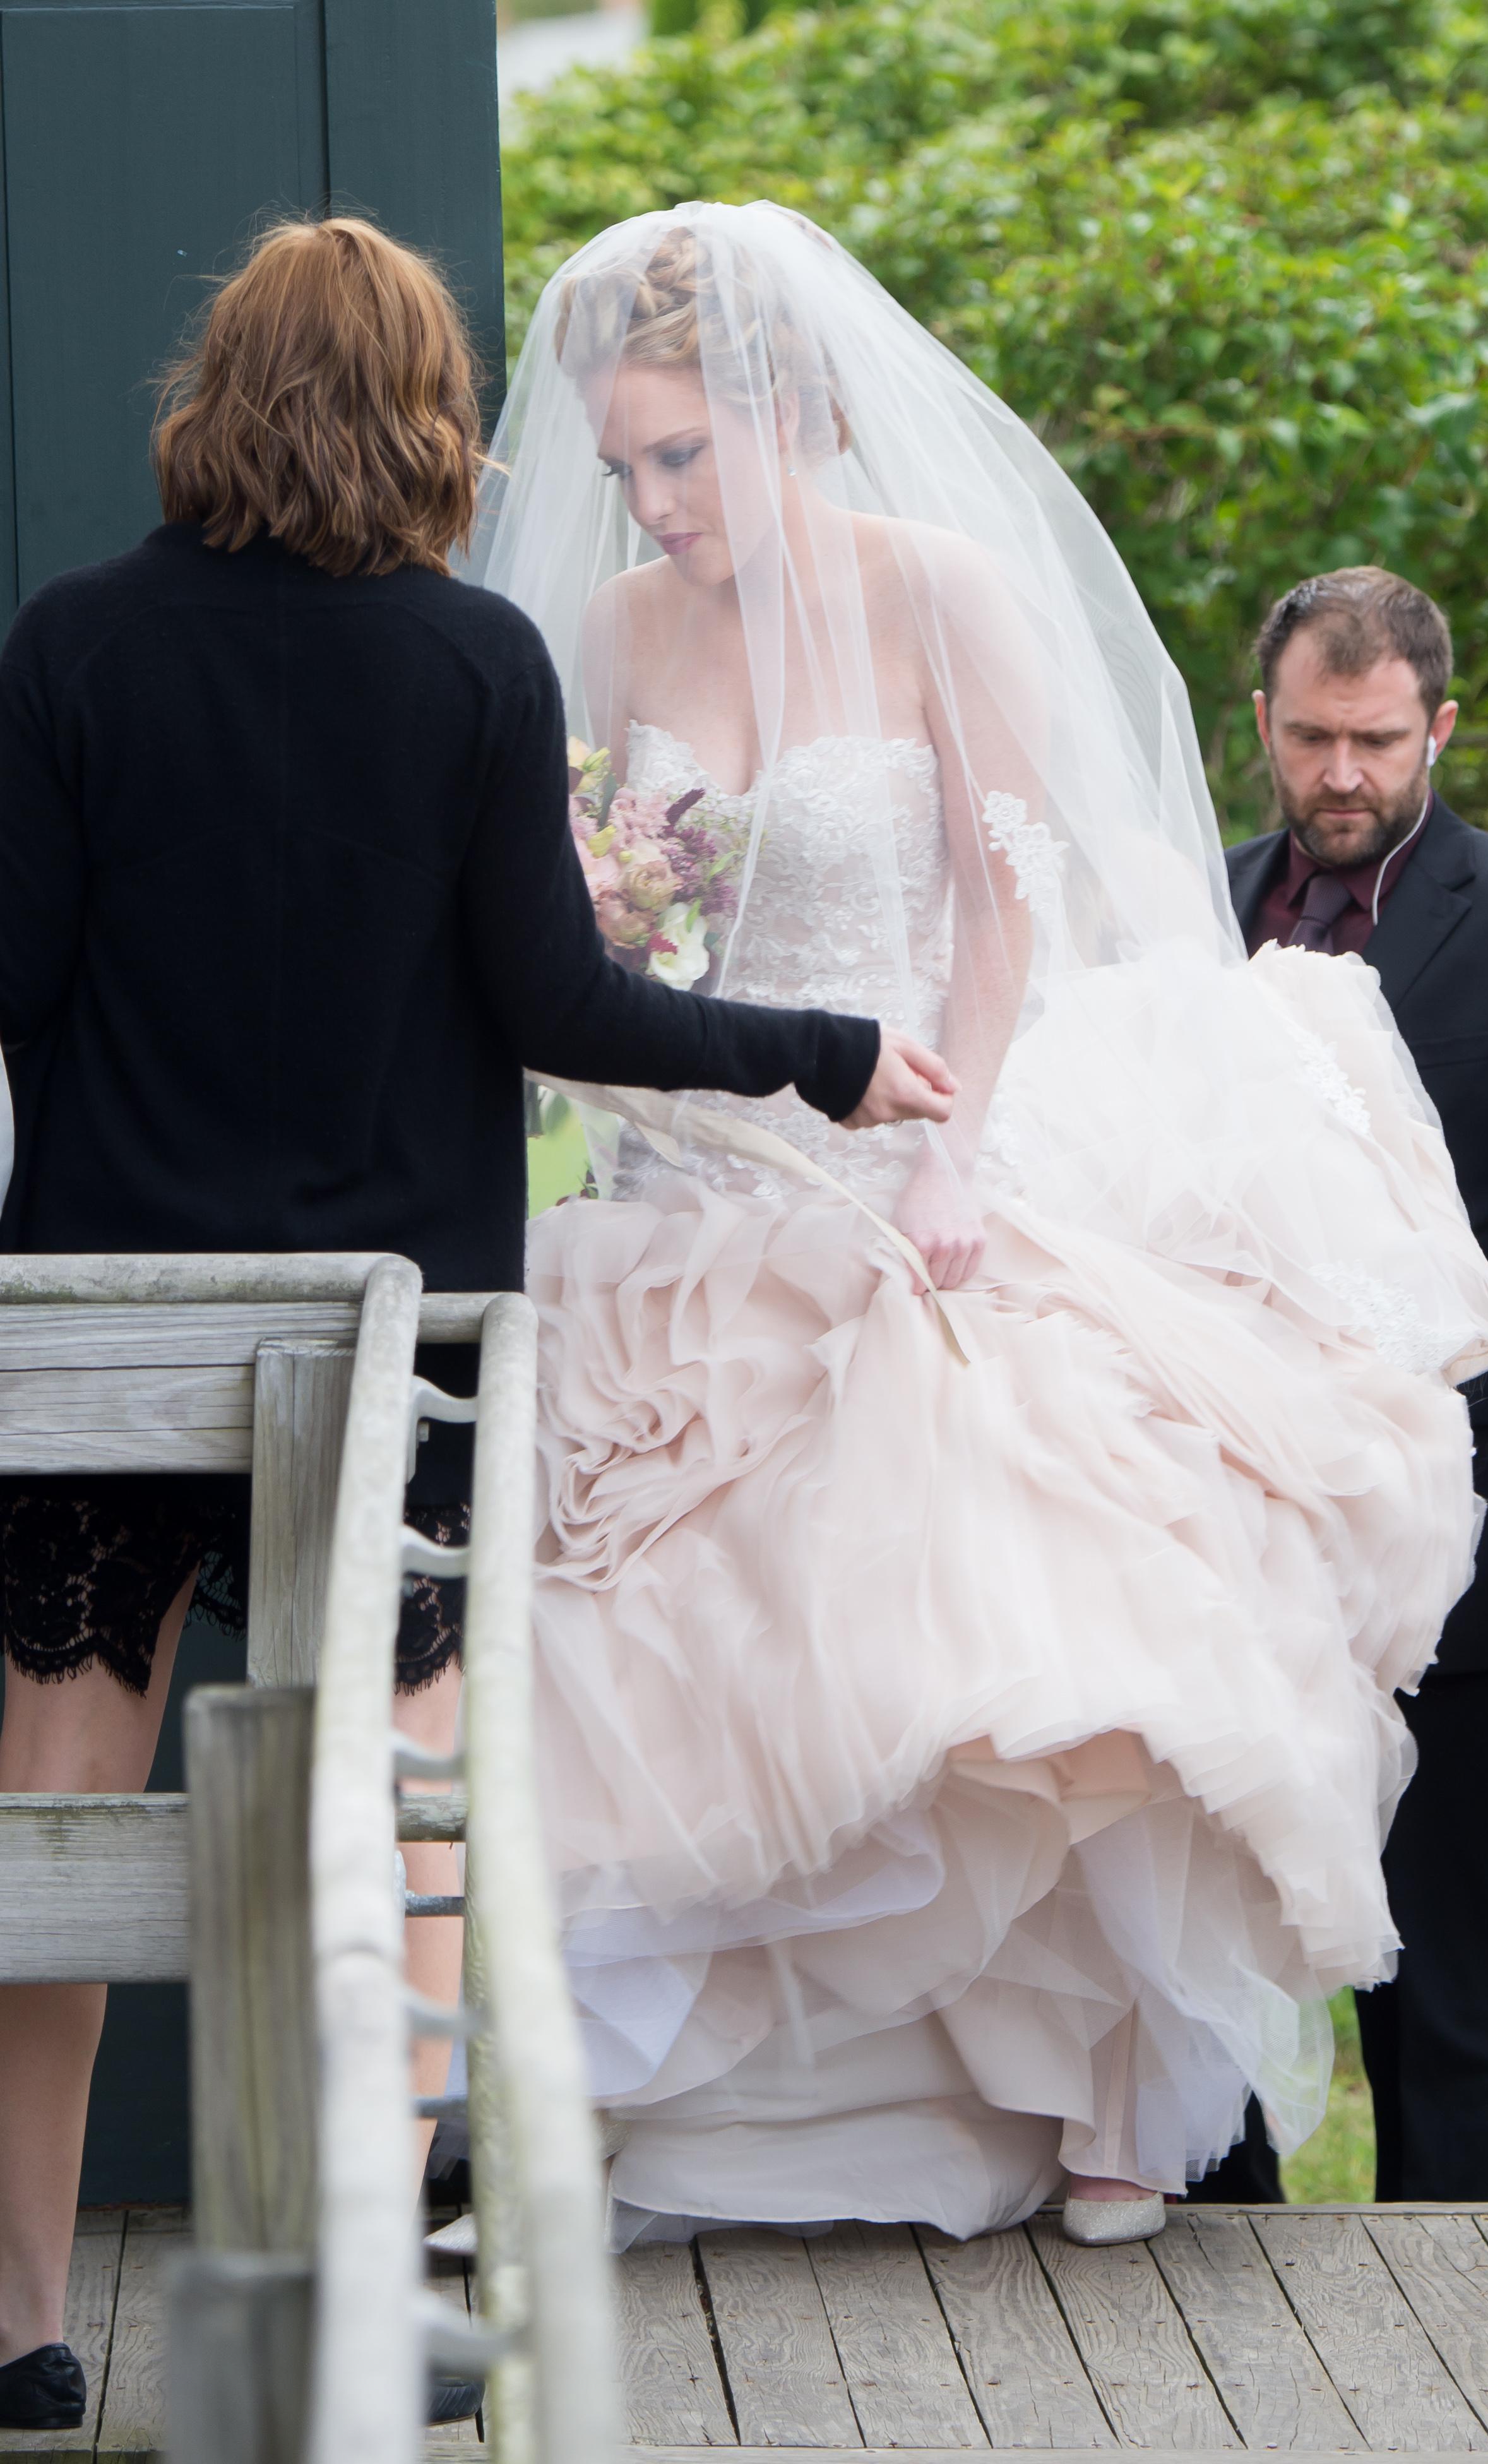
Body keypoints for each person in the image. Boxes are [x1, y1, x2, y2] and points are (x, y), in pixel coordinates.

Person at [465, 202, 1488, 2253]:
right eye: (622, 467)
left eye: (683, 453)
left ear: (791, 415)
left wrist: (950, 1148)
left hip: (930, 1155)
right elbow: (588, 929)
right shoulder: (601, 639)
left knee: (1032, 1618)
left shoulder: (937, 589)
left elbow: (1014, 891)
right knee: (677, 1651)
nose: (654, 501)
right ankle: (684, 2121)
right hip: (695, 1189)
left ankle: (1083, 2092)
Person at [0, 215, 954, 2436]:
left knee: (47, 1822)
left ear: (214, 391)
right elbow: (560, 1004)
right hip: (390, 1334)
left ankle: (25, 2320)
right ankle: (371, 2295)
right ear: (430, 410)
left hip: (108, 1328)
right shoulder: (474, 670)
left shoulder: (66, 649)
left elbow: (13, 984)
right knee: (401, 1822)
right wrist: (816, 1045)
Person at [1220, 565, 1488, 2200]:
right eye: (1312, 737)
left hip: (1476, 1543)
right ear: (1262, 722)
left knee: (1448, 1991)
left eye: (1378, 742)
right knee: (1216, 1963)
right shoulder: (1195, 905)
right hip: (1230, 1545)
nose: (1342, 776)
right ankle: (1208, 2345)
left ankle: (1466, 2356)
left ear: (1439, 728)